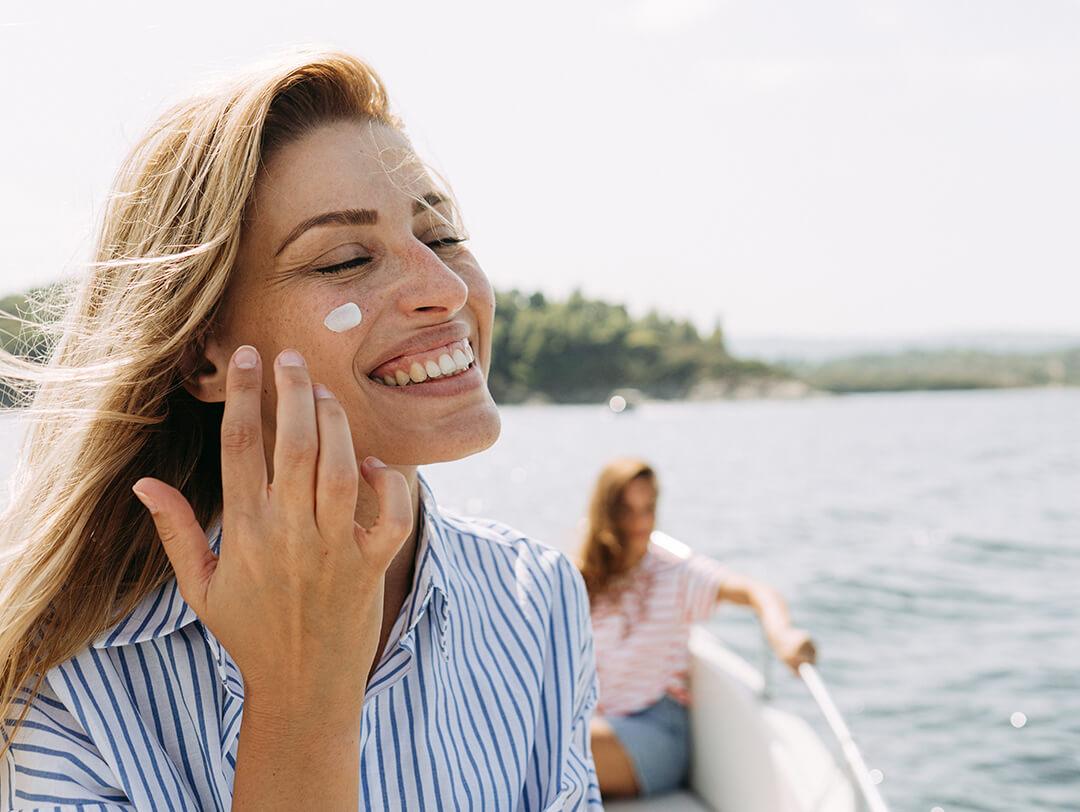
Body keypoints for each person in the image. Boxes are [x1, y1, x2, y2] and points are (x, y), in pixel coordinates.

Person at [0, 49, 599, 810]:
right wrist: (299, 702)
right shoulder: (65, 682)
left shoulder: (538, 599)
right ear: (200, 355)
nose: (445, 289)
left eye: (442, 237)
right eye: (347, 259)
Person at [577, 458, 816, 799]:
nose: (639, 523)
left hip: (656, 733)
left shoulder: (676, 574)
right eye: (627, 511)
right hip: (599, 723)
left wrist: (783, 635)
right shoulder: (587, 580)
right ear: (605, 513)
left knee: (558, 745)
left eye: (648, 509)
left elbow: (756, 591)